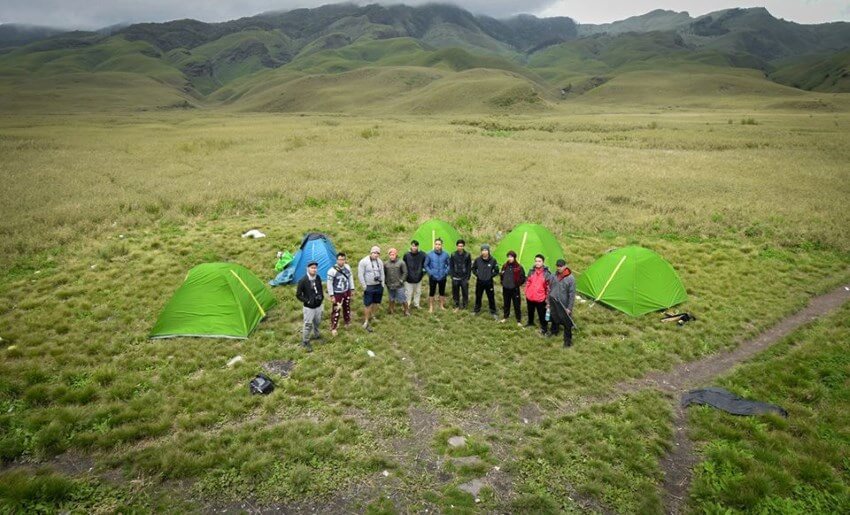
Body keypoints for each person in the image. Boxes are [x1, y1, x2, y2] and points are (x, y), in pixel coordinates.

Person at [295, 261, 324, 352]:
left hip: (318, 305)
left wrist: (321, 296)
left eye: (315, 268)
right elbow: (298, 294)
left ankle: (317, 335)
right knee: (308, 324)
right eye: (312, 268)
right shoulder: (303, 281)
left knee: (317, 321)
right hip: (309, 307)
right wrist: (307, 301)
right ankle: (305, 341)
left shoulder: (318, 277)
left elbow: (320, 289)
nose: (314, 269)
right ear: (307, 269)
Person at [547, 259, 576, 348]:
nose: (559, 268)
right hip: (553, 301)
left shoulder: (570, 278)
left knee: (567, 323)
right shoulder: (553, 275)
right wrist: (548, 301)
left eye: (561, 266)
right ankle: (554, 331)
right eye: (558, 266)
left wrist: (569, 308)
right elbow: (549, 288)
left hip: (564, 305)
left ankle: (567, 341)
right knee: (554, 317)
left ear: (565, 266)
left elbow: (572, 295)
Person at [326, 252, 354, 337]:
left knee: (347, 306)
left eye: (343, 259)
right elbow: (329, 284)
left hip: (346, 290)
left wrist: (352, 288)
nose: (341, 261)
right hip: (337, 293)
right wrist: (331, 295)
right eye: (340, 260)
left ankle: (347, 321)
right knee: (336, 310)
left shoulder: (348, 267)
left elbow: (350, 277)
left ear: (345, 260)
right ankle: (334, 326)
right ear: (337, 260)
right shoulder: (332, 271)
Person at [358, 246, 385, 333]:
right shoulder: (363, 261)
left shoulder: (380, 261)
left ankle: (373, 315)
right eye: (374, 253)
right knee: (368, 304)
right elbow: (360, 275)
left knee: (376, 302)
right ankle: (366, 320)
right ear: (371, 252)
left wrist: (383, 284)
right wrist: (364, 286)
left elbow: (382, 273)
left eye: (378, 253)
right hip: (369, 286)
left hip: (378, 285)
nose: (376, 255)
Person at [525, 254, 552, 335]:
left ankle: (544, 328)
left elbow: (548, 288)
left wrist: (547, 299)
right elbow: (528, 281)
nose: (537, 263)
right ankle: (530, 322)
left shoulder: (547, 273)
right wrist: (527, 291)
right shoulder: (531, 271)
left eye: (539, 261)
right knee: (530, 311)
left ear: (543, 262)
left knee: (542, 314)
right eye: (536, 261)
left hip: (540, 298)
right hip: (530, 296)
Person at [471, 244, 499, 318]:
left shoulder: (493, 260)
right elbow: (473, 268)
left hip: (489, 282)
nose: (484, 252)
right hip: (480, 281)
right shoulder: (477, 260)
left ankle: (493, 312)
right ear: (481, 251)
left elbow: (496, 271)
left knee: (491, 297)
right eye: (483, 250)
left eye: (486, 250)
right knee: (478, 296)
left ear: (488, 251)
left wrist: (490, 276)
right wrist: (477, 275)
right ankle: (476, 310)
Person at [499, 250, 526, 326]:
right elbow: (502, 274)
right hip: (506, 288)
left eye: (511, 257)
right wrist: (502, 282)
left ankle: (518, 320)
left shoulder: (519, 267)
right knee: (506, 303)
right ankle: (505, 317)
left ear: (514, 257)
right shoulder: (505, 266)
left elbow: (523, 278)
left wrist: (517, 284)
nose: (510, 258)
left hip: (515, 289)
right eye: (508, 257)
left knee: (517, 304)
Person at [424, 238, 450, 313]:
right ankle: (431, 307)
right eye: (436, 244)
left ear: (442, 245)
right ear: (434, 245)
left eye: (439, 244)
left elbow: (449, 265)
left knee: (442, 292)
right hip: (433, 277)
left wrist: (445, 273)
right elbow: (426, 265)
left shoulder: (446, 254)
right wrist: (430, 273)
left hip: (442, 276)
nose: (437, 246)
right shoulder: (429, 254)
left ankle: (441, 306)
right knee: (432, 292)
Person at [384, 248, 409, 316]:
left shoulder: (401, 262)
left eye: (393, 254)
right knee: (391, 299)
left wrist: (401, 281)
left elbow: (405, 273)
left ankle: (406, 311)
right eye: (390, 255)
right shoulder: (386, 264)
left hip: (399, 285)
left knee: (403, 299)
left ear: (396, 254)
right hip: (390, 285)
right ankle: (391, 310)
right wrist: (386, 282)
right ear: (389, 255)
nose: (392, 256)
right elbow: (384, 274)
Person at [449, 239, 472, 312]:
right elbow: (451, 266)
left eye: (461, 246)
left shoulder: (467, 255)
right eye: (459, 246)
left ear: (463, 246)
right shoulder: (453, 254)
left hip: (464, 277)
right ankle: (456, 304)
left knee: (465, 291)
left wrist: (468, 276)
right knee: (455, 292)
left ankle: (465, 305)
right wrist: (452, 276)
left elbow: (469, 266)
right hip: (455, 276)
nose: (460, 247)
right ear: (456, 246)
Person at [403, 240, 426, 309]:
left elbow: (425, 265)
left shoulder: (422, 254)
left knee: (418, 292)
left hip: (418, 278)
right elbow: (404, 266)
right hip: (408, 278)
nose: (414, 247)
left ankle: (416, 304)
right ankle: (407, 305)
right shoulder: (406, 255)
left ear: (418, 246)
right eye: (413, 246)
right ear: (411, 246)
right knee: (408, 293)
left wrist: (422, 273)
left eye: (416, 246)